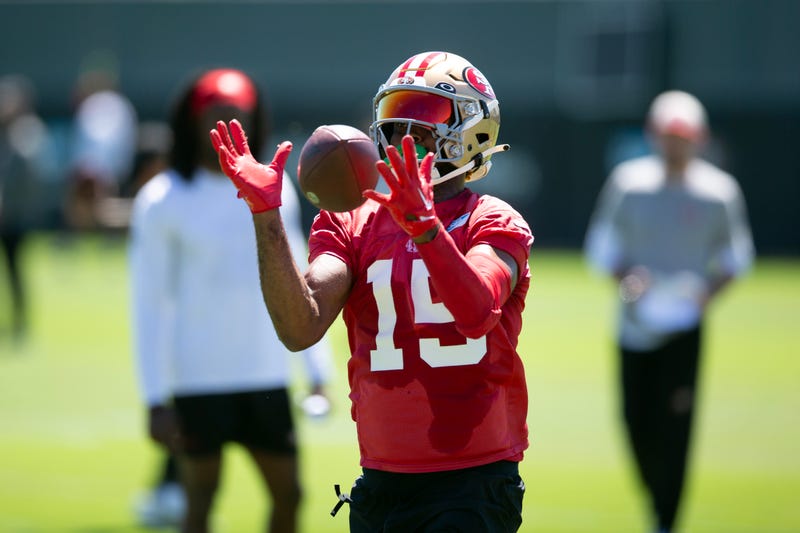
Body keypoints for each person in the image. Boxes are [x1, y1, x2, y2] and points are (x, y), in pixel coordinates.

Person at [210, 51, 533, 532]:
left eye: (424, 118)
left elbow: (477, 309)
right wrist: (265, 214)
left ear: (473, 130)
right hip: (381, 480)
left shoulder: (492, 219)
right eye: (397, 117)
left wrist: (425, 230)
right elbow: (301, 326)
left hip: (472, 481)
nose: (406, 134)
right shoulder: (352, 220)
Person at [129, 68, 333, 533]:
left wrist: (318, 372)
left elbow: (303, 274)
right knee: (198, 502)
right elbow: (147, 302)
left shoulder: (273, 185)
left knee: (291, 495)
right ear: (193, 122)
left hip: (266, 372)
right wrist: (154, 398)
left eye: (237, 116)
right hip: (198, 379)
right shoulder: (162, 200)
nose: (227, 127)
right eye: (216, 116)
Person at [584, 90, 754, 533]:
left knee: (676, 430)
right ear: (653, 135)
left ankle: (666, 520)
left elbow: (736, 258)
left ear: (699, 138)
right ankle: (656, 499)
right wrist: (626, 280)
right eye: (668, 135)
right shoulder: (629, 183)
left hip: (684, 328)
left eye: (684, 136)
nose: (676, 144)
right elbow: (602, 248)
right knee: (635, 421)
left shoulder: (718, 192)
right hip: (634, 325)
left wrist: (705, 294)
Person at [0, 75, 49, 344]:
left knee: (15, 270)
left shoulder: (25, 133)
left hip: (16, 218)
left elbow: (26, 180)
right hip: (7, 215)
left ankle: (20, 320)